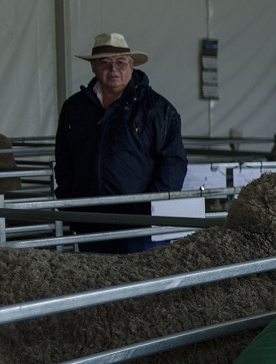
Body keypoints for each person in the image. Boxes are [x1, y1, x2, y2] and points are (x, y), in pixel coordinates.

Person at [54, 32, 187, 253]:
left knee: (144, 284)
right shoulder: (74, 109)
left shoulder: (157, 109)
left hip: (140, 229)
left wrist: (150, 209)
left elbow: (173, 163)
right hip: (90, 224)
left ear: (131, 65)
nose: (113, 69)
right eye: (104, 63)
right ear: (94, 68)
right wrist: (72, 203)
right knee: (95, 284)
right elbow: (64, 159)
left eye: (120, 62)